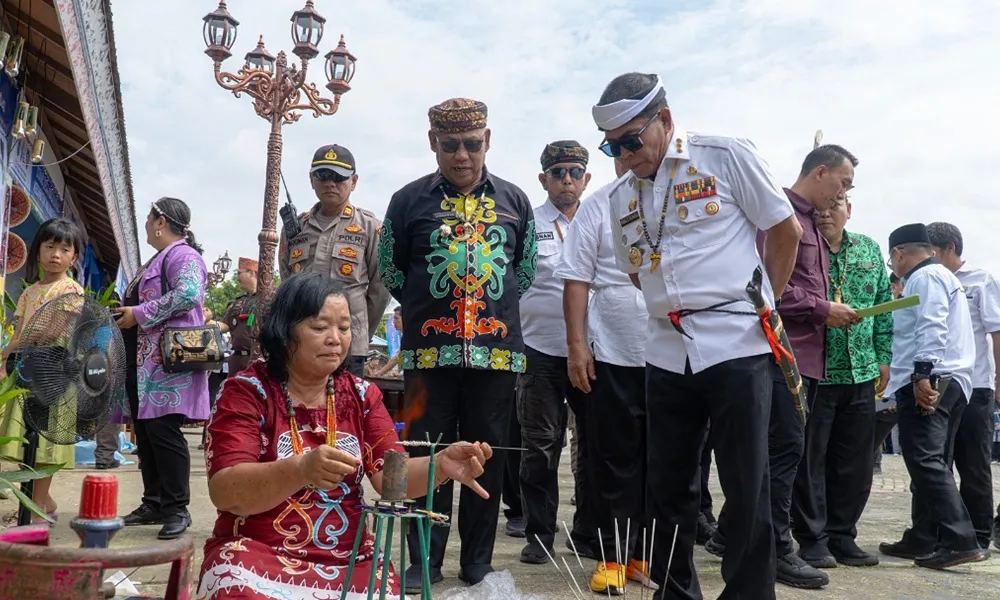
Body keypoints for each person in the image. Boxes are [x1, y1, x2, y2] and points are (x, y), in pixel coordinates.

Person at [592, 72, 802, 599]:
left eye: (631, 141)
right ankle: (676, 592)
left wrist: (764, 304)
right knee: (667, 485)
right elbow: (636, 273)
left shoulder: (724, 156)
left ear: (664, 119)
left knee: (745, 484)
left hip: (736, 342)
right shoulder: (620, 197)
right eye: (613, 147)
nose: (624, 155)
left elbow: (785, 231)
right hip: (665, 349)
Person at [196, 273, 493, 600]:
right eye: (320, 327)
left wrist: (441, 464)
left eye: (344, 327)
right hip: (259, 554)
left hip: (350, 562)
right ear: (284, 330)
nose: (335, 339)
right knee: (232, 577)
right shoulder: (246, 392)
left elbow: (391, 478)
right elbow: (226, 491)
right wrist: (300, 469)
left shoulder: (362, 395)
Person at [378, 97, 537, 589]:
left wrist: (486, 311)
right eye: (450, 146)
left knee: (485, 456)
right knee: (426, 454)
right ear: (433, 143)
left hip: (496, 353)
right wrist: (431, 308)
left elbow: (524, 271)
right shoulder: (407, 201)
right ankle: (422, 560)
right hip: (428, 355)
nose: (461, 155)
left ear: (487, 141)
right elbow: (391, 270)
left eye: (471, 144)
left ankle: (477, 561)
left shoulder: (516, 200)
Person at [557, 155, 656, 594]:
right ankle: (613, 556)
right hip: (614, 348)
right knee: (615, 456)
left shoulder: (676, 197)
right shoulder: (599, 205)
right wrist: (577, 346)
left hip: (674, 349)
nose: (631, 159)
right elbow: (576, 279)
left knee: (665, 458)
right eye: (621, 150)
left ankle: (644, 555)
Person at [878, 223, 986, 569]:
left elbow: (931, 323)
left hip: (932, 379)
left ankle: (961, 539)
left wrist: (922, 372)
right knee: (932, 460)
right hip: (951, 379)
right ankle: (924, 537)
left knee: (923, 459)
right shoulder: (942, 276)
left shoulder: (924, 277)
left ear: (898, 254)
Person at [515, 140, 600, 568]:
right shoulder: (526, 224)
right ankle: (539, 534)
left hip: (594, 350)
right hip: (540, 349)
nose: (567, 179)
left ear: (587, 178)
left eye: (574, 172)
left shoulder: (600, 219)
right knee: (540, 446)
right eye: (558, 172)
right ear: (543, 178)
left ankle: (586, 532)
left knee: (594, 444)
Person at [801, 194, 892, 567]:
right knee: (811, 460)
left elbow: (884, 305)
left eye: (834, 207)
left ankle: (842, 535)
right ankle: (811, 538)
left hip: (862, 371)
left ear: (849, 210)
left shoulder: (868, 248)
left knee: (854, 461)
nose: (825, 214)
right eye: (819, 209)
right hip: (816, 373)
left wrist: (883, 357)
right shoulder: (802, 249)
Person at [114, 197, 211, 540]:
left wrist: (138, 313)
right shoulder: (157, 259)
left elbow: (189, 295)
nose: (145, 224)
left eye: (148, 218)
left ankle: (177, 508)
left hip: (167, 363)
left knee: (164, 432)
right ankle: (154, 501)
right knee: (146, 433)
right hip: (143, 361)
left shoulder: (183, 256)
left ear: (160, 222)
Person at [278, 144, 391, 377]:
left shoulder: (370, 227)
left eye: (339, 177)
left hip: (347, 346)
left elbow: (380, 289)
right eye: (323, 175)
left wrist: (357, 330)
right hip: (301, 342)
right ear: (311, 180)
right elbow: (287, 281)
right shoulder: (295, 228)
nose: (330, 183)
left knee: (344, 400)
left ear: (354, 181)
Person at [0, 218, 85, 523]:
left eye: (64, 249)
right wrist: (5, 359)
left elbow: (52, 331)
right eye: (49, 247)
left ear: (73, 257)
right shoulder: (29, 293)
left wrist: (15, 346)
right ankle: (41, 503)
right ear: (38, 250)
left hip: (54, 375)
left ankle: (36, 507)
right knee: (26, 440)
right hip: (26, 373)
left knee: (45, 445)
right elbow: (19, 330)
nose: (55, 255)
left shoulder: (71, 289)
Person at [927, 221, 1000, 551]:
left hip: (977, 385)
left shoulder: (981, 281)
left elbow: (996, 333)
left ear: (950, 249)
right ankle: (937, 533)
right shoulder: (928, 282)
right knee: (936, 461)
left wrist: (998, 382)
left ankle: (980, 534)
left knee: (973, 464)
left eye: (931, 252)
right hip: (940, 386)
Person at [209, 257, 259, 374]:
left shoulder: (269, 299)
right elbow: (225, 326)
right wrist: (205, 320)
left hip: (258, 360)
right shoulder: (238, 302)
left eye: (239, 273)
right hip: (237, 360)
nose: (237, 277)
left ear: (251, 273)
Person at [374, 307, 403, 377]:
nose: (393, 321)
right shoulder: (405, 337)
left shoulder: (413, 336)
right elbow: (397, 358)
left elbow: (397, 359)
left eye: (396, 318)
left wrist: (379, 373)